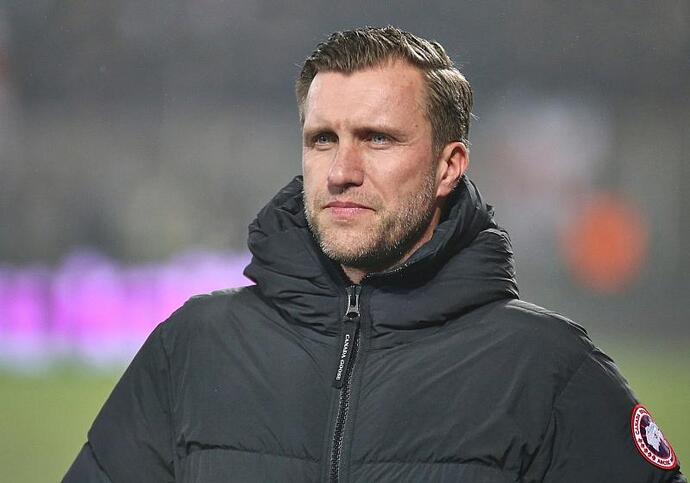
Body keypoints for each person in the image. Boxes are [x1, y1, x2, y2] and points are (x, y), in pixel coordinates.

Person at [63, 26, 685, 483]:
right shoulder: (193, 348)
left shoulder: (548, 369)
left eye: (377, 139)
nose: (342, 171)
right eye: (322, 139)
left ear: (449, 166)